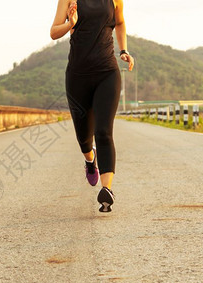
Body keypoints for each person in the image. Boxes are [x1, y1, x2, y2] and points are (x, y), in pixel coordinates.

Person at [50, 0, 134, 212]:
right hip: (78, 77)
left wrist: (123, 49)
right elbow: (53, 32)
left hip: (107, 73)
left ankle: (107, 191)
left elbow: (120, 23)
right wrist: (71, 24)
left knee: (104, 131)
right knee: (84, 139)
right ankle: (90, 158)